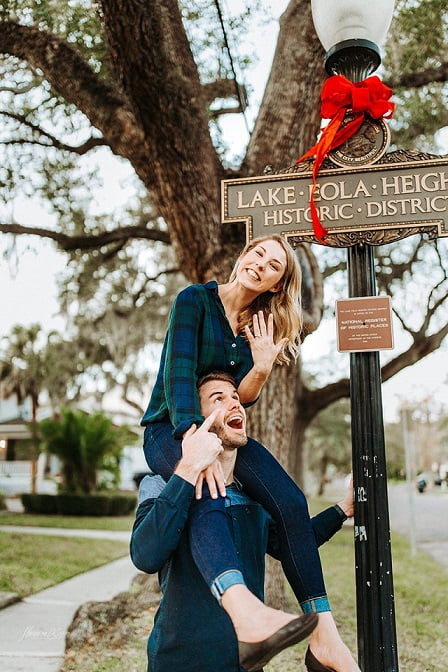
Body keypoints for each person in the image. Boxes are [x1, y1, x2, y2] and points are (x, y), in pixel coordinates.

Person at [141, 235, 359, 672]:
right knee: (207, 485)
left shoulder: (257, 326)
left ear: (278, 284)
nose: (261, 264)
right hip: (171, 428)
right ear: (243, 256)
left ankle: (325, 636)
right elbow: (179, 375)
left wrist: (261, 367)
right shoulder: (194, 301)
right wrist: (193, 440)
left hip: (221, 428)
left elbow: (237, 400)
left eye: (274, 265)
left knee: (291, 501)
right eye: (258, 253)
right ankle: (244, 613)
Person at [131, 372, 355, 672]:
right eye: (218, 398)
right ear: (196, 420)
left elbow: (294, 543)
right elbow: (145, 554)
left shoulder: (255, 494)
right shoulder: (161, 483)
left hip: (244, 660)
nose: (234, 404)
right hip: (180, 657)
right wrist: (188, 469)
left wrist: (343, 509)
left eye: (236, 397)